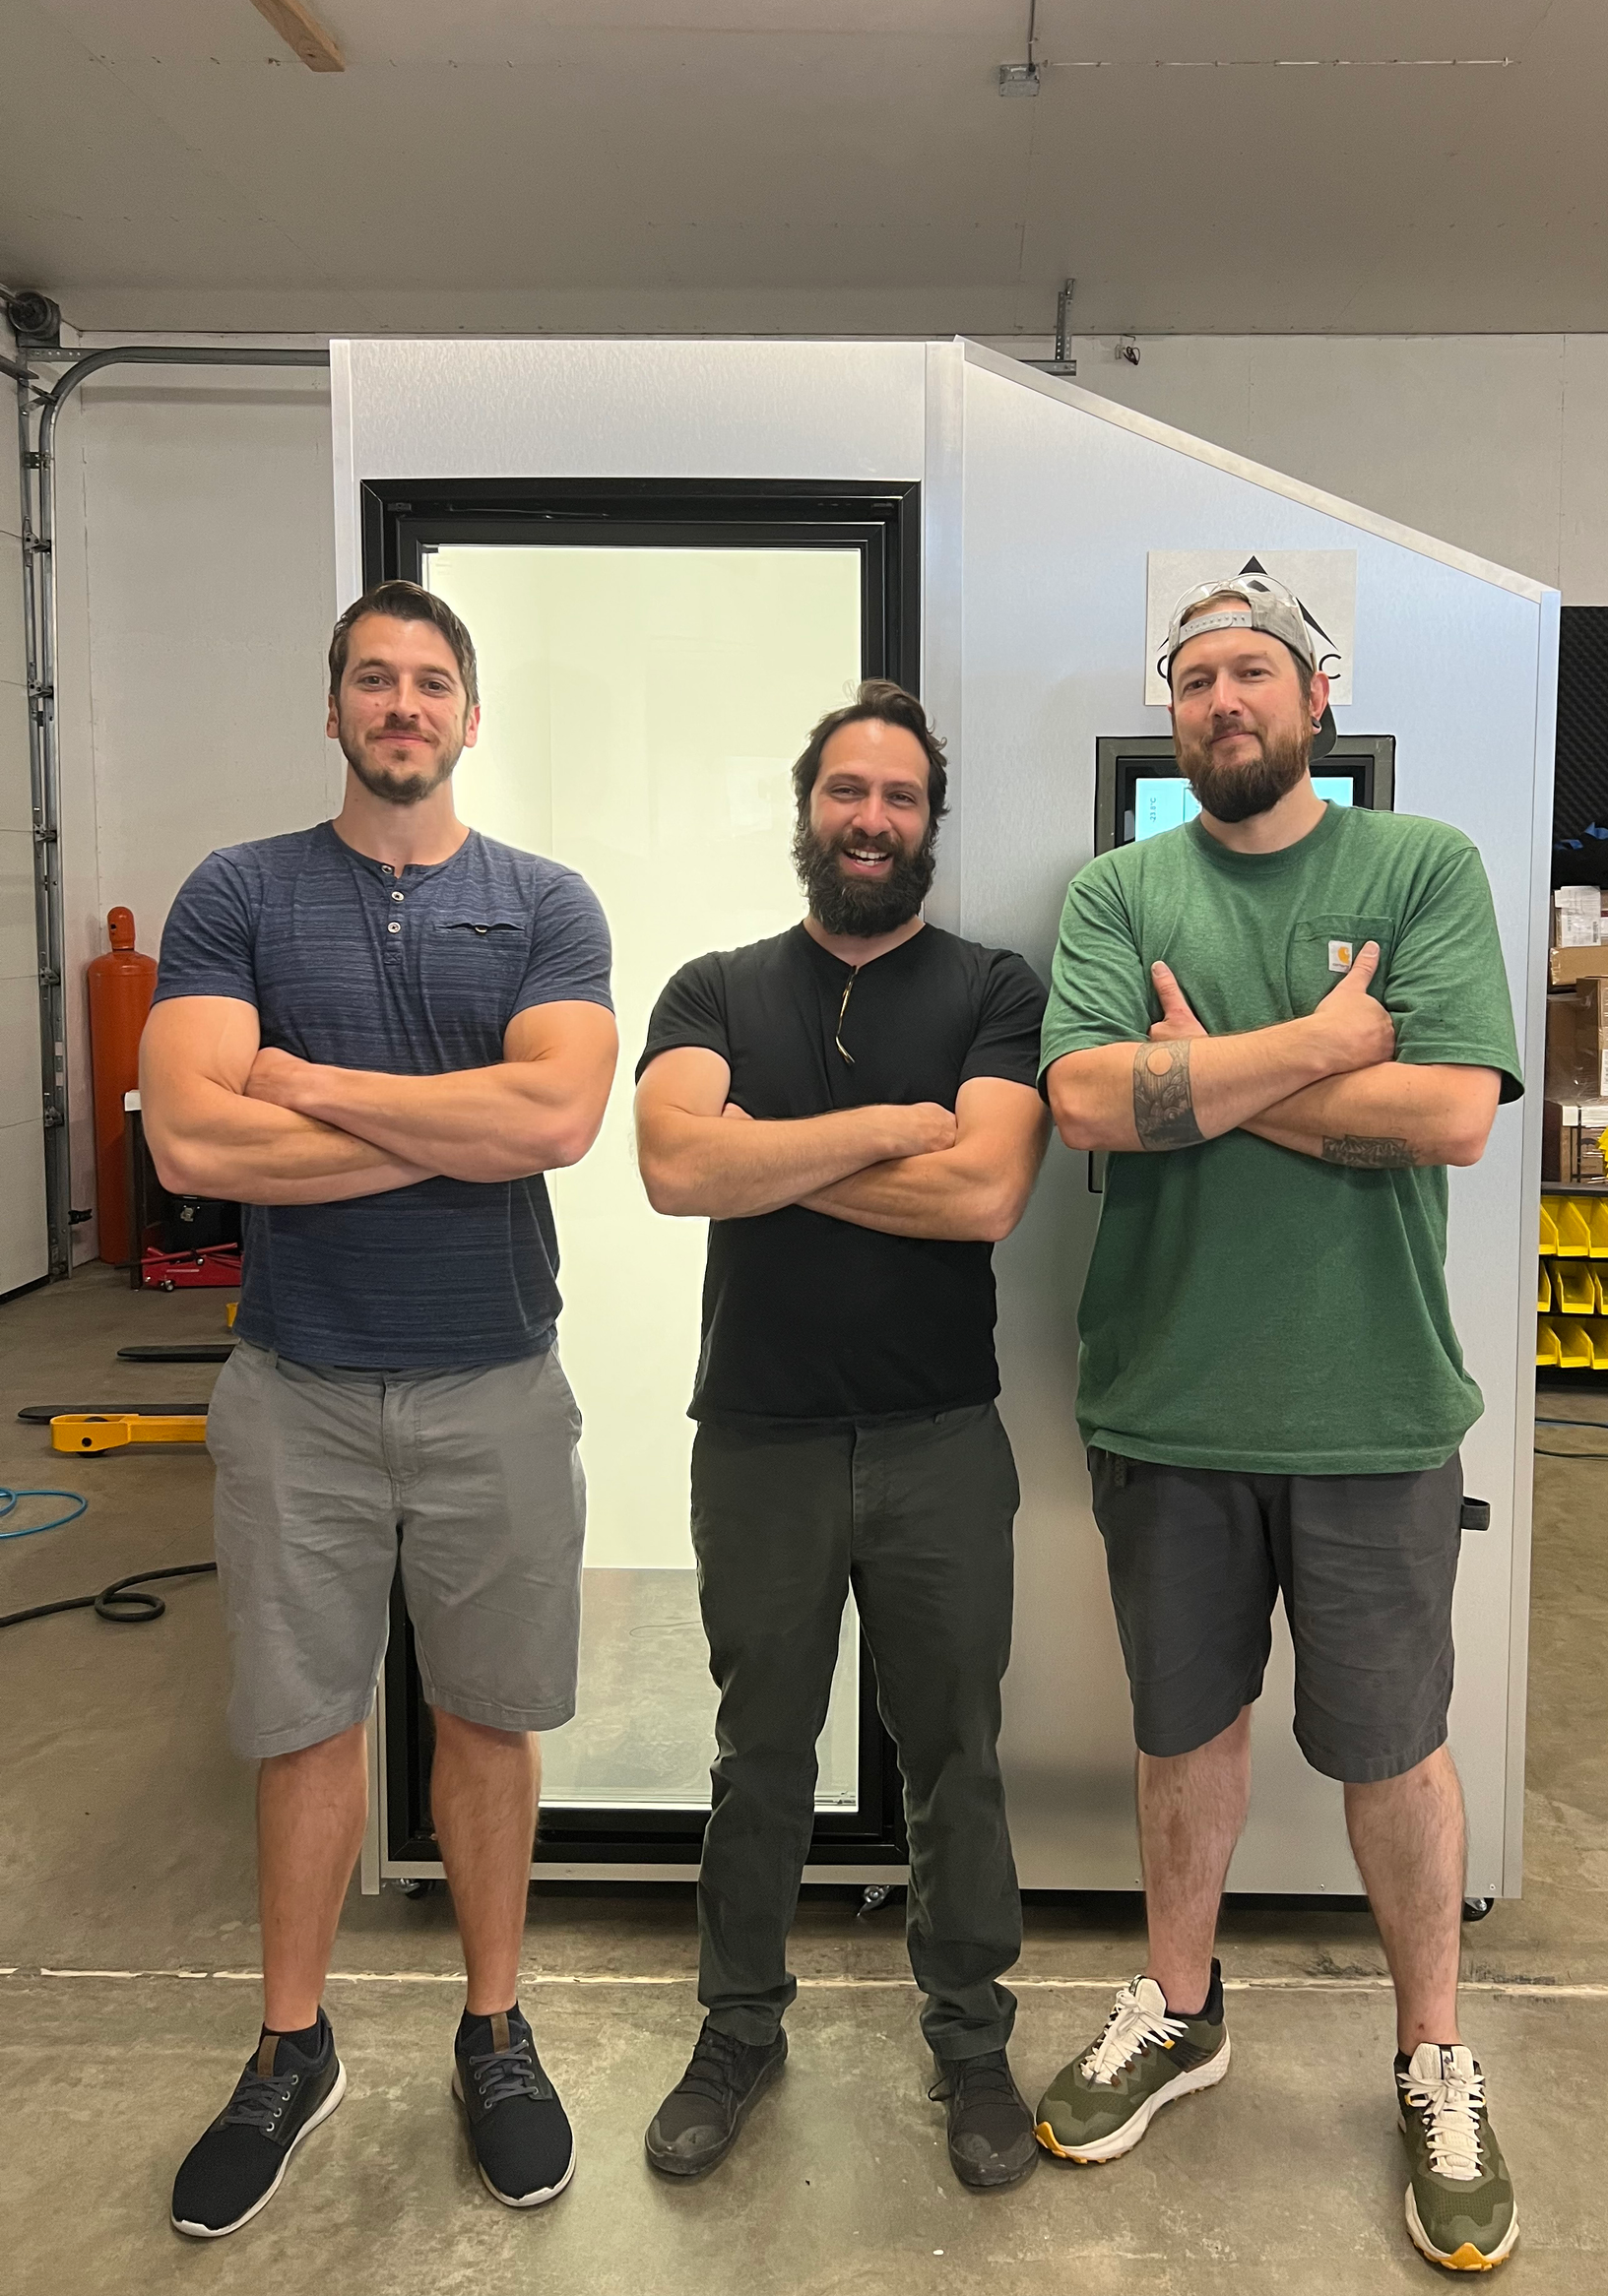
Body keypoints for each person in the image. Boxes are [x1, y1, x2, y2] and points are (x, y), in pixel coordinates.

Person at [1032, 576, 1524, 2272]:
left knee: (1395, 1746)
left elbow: (1455, 1115)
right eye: (1193, 676)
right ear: (1168, 710)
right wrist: (1322, 1051)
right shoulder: (1120, 888)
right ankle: (1182, 2006)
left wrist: (1216, 1087)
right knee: (1186, 1730)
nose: (1222, 698)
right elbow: (1090, 1098)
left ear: (1317, 691)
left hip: (1375, 1407)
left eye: (1251, 670)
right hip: (1165, 1401)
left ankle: (1433, 2054)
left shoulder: (1424, 870)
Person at [142, 579, 617, 2239]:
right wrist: (449, 1122)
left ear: (470, 716)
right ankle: (292, 2047)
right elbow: (190, 1148)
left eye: (430, 683)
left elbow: (560, 1121)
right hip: (297, 1393)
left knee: (489, 1720)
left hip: (494, 1382)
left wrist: (312, 1084)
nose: (402, 705)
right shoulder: (237, 894)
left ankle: (494, 2029)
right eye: (372, 680)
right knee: (302, 1726)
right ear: (334, 708)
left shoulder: (545, 904)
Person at [633, 678, 1050, 2193]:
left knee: (957, 1755)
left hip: (940, 1437)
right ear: (805, 810)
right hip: (759, 1440)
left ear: (931, 823)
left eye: (900, 798)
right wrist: (886, 1130)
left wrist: (764, 1158)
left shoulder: (997, 989)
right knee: (760, 1754)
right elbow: (676, 1170)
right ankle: (738, 2029)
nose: (871, 820)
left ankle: (971, 2039)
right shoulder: (712, 989)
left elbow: (987, 1195)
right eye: (846, 792)